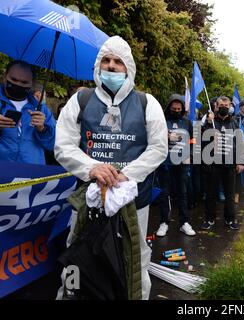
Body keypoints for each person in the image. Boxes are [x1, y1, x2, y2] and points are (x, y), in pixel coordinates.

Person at [54, 36, 168, 300]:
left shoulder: (146, 103)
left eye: (118, 61)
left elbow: (158, 148)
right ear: (98, 66)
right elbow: (63, 146)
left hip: (133, 201)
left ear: (128, 67)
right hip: (87, 200)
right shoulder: (80, 100)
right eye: (106, 60)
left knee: (136, 258)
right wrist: (93, 168)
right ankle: (68, 297)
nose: (111, 66)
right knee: (76, 253)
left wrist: (127, 175)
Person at [201, 96, 244, 230]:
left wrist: (240, 162)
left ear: (230, 106)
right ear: (216, 106)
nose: (224, 107)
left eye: (226, 105)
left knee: (230, 194)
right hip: (213, 164)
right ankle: (209, 219)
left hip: (230, 165)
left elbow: (239, 144)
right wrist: (208, 126)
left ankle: (230, 219)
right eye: (221, 105)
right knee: (211, 193)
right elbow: (201, 140)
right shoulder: (211, 122)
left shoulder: (234, 123)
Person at [155, 94, 196, 237]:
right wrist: (164, 136)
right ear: (169, 108)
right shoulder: (162, 121)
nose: (176, 110)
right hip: (165, 162)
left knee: (183, 193)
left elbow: (192, 140)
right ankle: (164, 222)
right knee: (165, 193)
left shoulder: (187, 122)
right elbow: (154, 138)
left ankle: (184, 222)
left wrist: (190, 155)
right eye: (174, 108)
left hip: (182, 163)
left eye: (179, 108)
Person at [0, 60, 56, 164]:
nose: (18, 84)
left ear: (32, 83)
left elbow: (54, 145)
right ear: (5, 77)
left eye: (24, 82)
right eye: (13, 79)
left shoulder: (41, 109)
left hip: (32, 173)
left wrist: (42, 129)